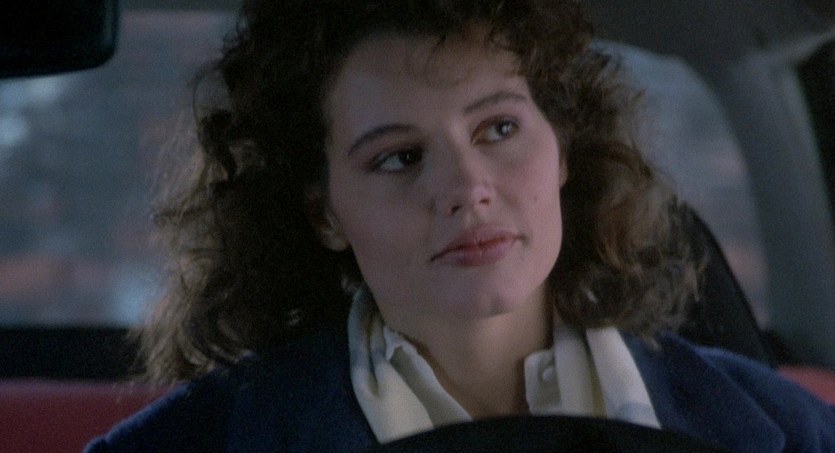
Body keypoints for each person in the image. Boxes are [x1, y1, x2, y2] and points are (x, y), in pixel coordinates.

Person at [87, 0, 835, 451]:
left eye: (498, 128)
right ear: (324, 212)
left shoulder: (786, 430)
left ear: (562, 148)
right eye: (398, 157)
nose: (466, 189)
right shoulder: (193, 442)